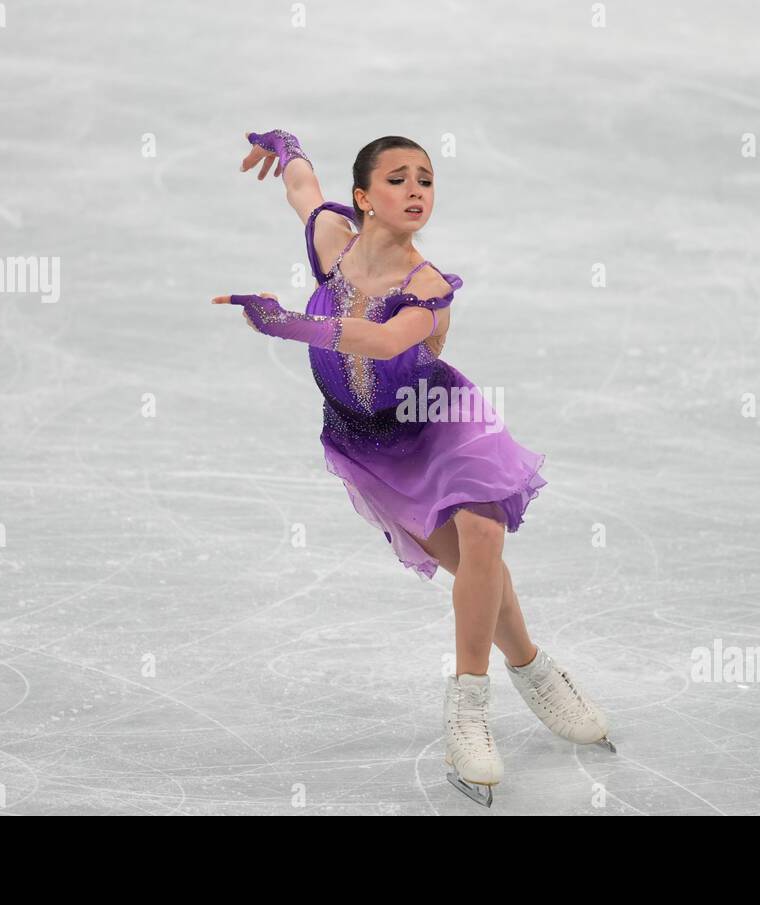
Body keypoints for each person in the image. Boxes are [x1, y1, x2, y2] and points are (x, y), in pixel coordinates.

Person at [213, 129, 615, 807]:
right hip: (369, 444)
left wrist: (288, 324)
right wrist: (285, 147)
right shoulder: (330, 244)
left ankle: (468, 707)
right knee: (471, 567)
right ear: (364, 198)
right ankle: (533, 665)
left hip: (439, 419)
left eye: (426, 180)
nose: (416, 191)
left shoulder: (427, 286)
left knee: (484, 535)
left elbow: (383, 337)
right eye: (398, 179)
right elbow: (303, 187)